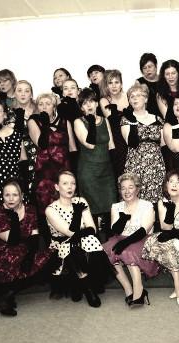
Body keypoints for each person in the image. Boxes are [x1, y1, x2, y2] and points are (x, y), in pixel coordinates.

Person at [0, 179, 59, 316]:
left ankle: (7, 293)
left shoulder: (30, 209)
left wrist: (29, 257)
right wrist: (14, 217)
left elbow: (34, 236)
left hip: (24, 247)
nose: (11, 198)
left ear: (21, 196)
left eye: (15, 195)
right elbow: (12, 240)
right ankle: (4, 296)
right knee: (12, 260)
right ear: (2, 196)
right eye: (7, 195)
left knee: (53, 257)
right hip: (1, 249)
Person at [46, 170, 110, 307]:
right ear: (57, 187)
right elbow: (69, 232)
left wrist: (81, 234)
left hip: (82, 239)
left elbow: (92, 228)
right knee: (71, 247)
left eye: (73, 183)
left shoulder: (81, 201)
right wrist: (77, 214)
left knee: (91, 240)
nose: (70, 187)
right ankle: (87, 288)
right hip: (61, 245)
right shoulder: (51, 209)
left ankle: (82, 284)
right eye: (65, 183)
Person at [143, 170, 179, 308]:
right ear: (166, 185)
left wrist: (175, 236)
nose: (174, 185)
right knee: (154, 243)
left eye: (178, 182)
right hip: (171, 236)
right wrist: (170, 210)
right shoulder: (162, 202)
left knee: (168, 245)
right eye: (171, 181)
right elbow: (165, 228)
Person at [103, 173, 159, 307]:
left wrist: (126, 242)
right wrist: (123, 219)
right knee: (106, 252)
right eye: (123, 188)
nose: (127, 191)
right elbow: (115, 230)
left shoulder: (147, 205)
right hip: (120, 237)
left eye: (130, 187)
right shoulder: (116, 206)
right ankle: (128, 289)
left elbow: (144, 230)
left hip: (142, 239)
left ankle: (139, 291)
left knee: (127, 252)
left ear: (137, 189)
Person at [28, 93, 76, 241]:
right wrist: (45, 124)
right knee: (45, 207)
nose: (44, 106)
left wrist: (74, 172)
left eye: (47, 103)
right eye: (41, 104)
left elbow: (72, 147)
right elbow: (41, 144)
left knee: (66, 205)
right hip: (45, 172)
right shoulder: (34, 121)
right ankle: (50, 243)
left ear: (54, 106)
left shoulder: (64, 121)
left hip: (64, 170)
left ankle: (68, 240)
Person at [73, 88, 117, 236]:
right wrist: (91, 122)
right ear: (81, 107)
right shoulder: (78, 122)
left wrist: (115, 170)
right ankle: (94, 243)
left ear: (97, 103)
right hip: (89, 171)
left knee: (111, 209)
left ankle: (110, 245)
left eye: (91, 101)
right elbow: (90, 144)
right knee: (92, 211)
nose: (89, 105)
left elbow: (111, 145)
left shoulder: (105, 120)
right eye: (84, 103)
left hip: (106, 171)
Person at [120, 82, 166, 203]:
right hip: (136, 165)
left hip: (156, 165)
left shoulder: (157, 119)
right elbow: (131, 143)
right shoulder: (126, 119)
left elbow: (163, 144)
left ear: (145, 99)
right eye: (132, 96)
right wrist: (133, 123)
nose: (135, 98)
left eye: (138, 95)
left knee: (157, 201)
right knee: (136, 200)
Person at [100, 69, 129, 177]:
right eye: (110, 83)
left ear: (121, 84)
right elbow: (113, 121)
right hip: (117, 140)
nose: (114, 86)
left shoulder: (129, 96)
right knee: (121, 173)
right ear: (106, 86)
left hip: (132, 137)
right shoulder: (104, 100)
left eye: (116, 82)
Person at [13, 80, 38, 200]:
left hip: (39, 156)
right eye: (19, 90)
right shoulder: (8, 113)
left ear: (31, 94)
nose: (23, 94)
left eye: (27, 91)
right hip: (20, 159)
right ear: (14, 94)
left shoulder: (39, 110)